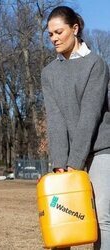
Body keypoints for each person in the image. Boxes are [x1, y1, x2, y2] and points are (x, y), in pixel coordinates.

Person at [41, 5, 110, 250]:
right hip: (68, 158)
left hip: (101, 150)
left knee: (101, 218)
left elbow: (89, 116)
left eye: (59, 32)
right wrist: (60, 164)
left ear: (75, 29)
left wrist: (75, 163)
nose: (54, 38)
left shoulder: (96, 65)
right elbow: (56, 119)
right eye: (50, 35)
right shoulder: (49, 73)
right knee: (60, 220)